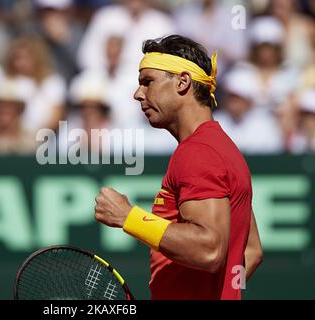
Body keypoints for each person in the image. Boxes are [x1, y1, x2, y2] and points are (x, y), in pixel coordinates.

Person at [94, 35, 263, 300]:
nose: (138, 94)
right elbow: (251, 250)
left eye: (148, 82)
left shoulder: (198, 153)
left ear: (182, 82)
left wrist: (129, 217)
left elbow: (210, 249)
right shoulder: (221, 147)